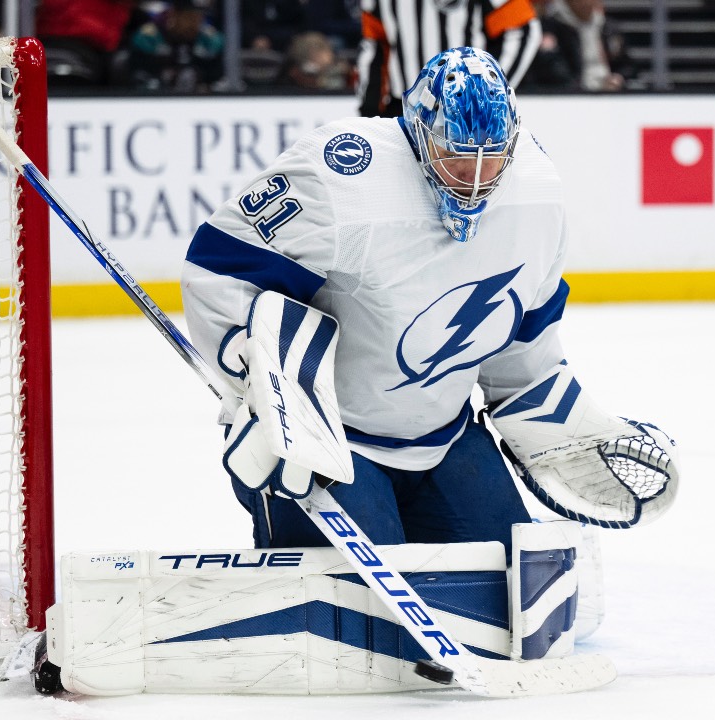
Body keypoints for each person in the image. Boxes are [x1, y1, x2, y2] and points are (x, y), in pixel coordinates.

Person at [182, 46, 678, 554]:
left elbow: (523, 332)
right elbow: (223, 268)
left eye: (491, 158)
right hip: (328, 443)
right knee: (354, 599)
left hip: (446, 436)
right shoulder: (344, 174)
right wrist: (261, 387)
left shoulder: (536, 190)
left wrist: (553, 417)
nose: (475, 176)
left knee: (511, 576)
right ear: (419, 131)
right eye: (456, 155)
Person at [356, 1, 541, 117]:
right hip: (403, 109)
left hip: (466, 108)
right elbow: (375, 45)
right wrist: (371, 111)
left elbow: (522, 30)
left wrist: (487, 94)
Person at [528, 0, 634, 91]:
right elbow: (553, 71)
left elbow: (626, 65)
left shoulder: (607, 27)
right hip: (572, 94)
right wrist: (581, 87)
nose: (587, 3)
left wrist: (619, 77)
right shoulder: (552, 27)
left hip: (609, 91)